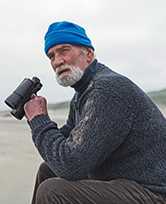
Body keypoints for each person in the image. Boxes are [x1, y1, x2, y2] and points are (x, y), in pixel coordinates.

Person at [24, 21, 166, 204]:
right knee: (47, 170)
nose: (57, 61)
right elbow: (64, 147)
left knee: (52, 191)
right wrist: (35, 120)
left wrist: (39, 120)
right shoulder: (82, 95)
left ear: (89, 54)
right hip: (121, 181)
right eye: (51, 56)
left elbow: (71, 165)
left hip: (152, 192)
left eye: (64, 50)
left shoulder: (107, 89)